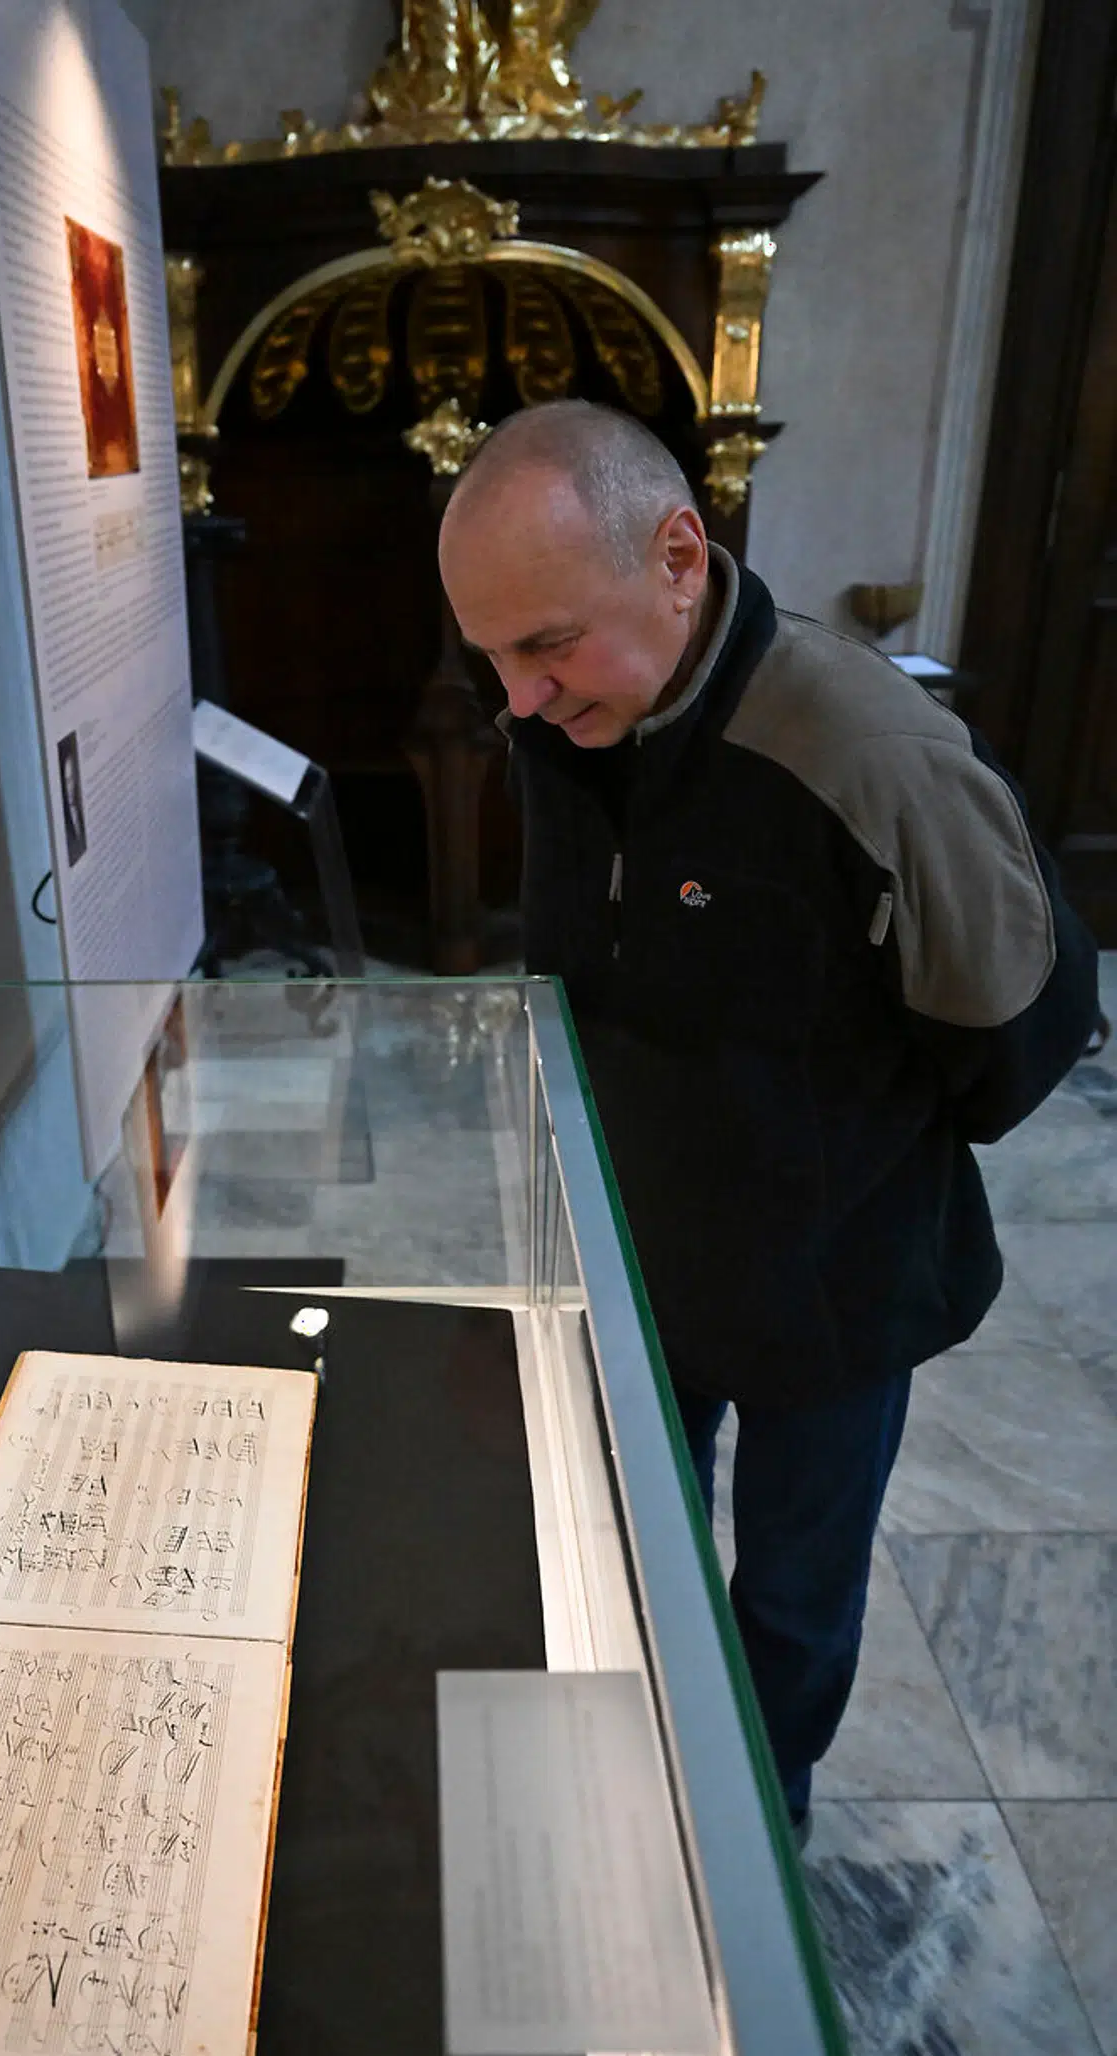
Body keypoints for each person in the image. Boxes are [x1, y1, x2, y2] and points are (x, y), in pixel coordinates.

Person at [438, 400, 1100, 1841]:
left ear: (680, 554)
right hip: (638, 1257)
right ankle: (629, 1807)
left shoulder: (867, 748)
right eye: (490, 655)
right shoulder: (570, 721)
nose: (520, 698)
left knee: (791, 1595)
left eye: (546, 644)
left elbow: (1014, 1031)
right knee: (621, 1549)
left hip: (831, 1282)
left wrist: (819, 1151)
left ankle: (755, 1829)